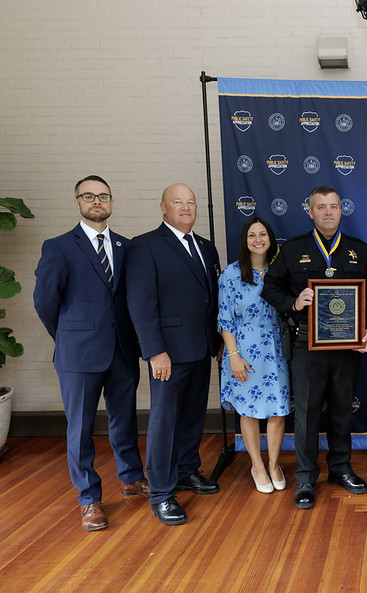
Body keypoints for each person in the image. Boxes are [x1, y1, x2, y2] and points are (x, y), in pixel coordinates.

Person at [33, 175, 148, 531]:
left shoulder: (128, 247)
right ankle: (89, 498)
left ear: (111, 202)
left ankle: (131, 477)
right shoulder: (59, 246)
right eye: (89, 196)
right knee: (80, 428)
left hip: (122, 352)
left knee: (124, 420)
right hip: (78, 355)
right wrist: (68, 336)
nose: (97, 201)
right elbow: (45, 302)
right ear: (77, 202)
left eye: (103, 196)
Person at [262, 185, 367, 510]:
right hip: (306, 346)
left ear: (341, 210)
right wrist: (294, 302)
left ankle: (341, 468)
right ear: (310, 211)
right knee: (305, 413)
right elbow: (270, 288)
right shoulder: (292, 250)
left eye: (333, 206)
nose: (328, 212)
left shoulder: (359, 250)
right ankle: (305, 478)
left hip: (347, 347)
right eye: (321, 207)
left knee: (343, 410)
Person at [126, 183, 221, 526]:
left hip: (200, 348)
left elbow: (211, 301)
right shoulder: (145, 246)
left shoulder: (207, 249)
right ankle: (162, 494)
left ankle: (185, 471)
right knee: (164, 422)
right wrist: (154, 352)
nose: (186, 207)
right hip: (167, 354)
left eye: (191, 202)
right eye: (178, 202)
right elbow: (140, 303)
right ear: (163, 207)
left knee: (193, 415)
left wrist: (219, 344)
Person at [218, 217, 290, 493]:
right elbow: (225, 320)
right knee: (248, 413)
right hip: (243, 351)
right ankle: (257, 465)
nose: (258, 239)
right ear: (244, 241)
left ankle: (273, 464)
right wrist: (234, 356)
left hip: (276, 350)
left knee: (277, 413)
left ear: (270, 239)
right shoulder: (231, 274)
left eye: (263, 234)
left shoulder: (280, 271)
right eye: (252, 235)